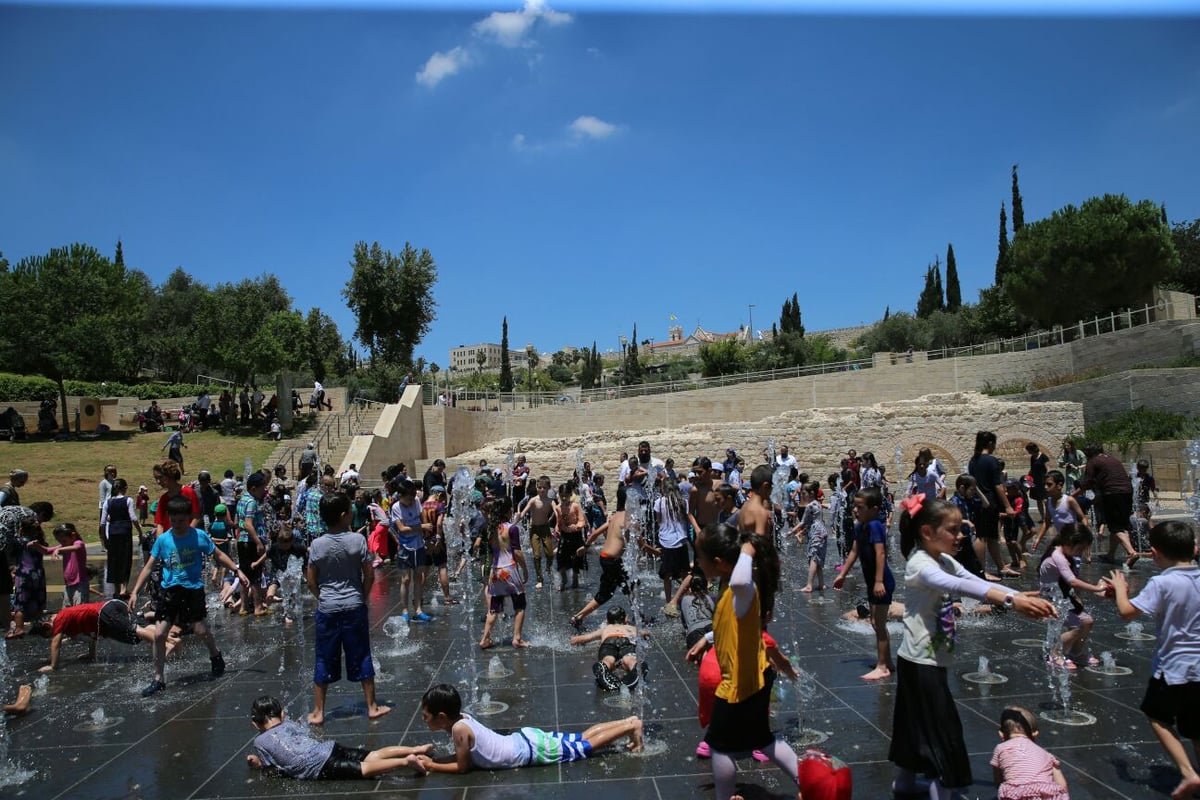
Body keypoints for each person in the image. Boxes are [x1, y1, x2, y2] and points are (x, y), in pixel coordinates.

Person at [890, 493, 1055, 800]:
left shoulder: (942, 559)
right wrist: (1011, 600)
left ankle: (904, 783)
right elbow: (958, 586)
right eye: (953, 529)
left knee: (913, 727)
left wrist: (1018, 595)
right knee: (944, 738)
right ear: (927, 532)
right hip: (921, 664)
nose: (961, 535)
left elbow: (972, 578)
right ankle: (943, 789)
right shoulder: (920, 564)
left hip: (925, 661)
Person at [686, 521, 801, 800]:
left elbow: (740, 582)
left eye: (699, 559)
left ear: (717, 562)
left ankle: (725, 796)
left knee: (719, 746)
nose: (696, 564)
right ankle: (807, 782)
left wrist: (747, 549)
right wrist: (707, 639)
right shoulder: (730, 584)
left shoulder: (743, 586)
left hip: (739, 684)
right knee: (763, 739)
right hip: (753, 677)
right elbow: (731, 625)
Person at [1106, 520, 1200, 800]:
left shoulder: (1162, 582)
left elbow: (1126, 612)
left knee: (1157, 716)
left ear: (1155, 553)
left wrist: (1120, 588)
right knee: (1197, 728)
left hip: (1173, 669)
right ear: (1193, 549)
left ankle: (1188, 772)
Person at [128, 494, 249, 697]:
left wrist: (237, 570)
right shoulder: (164, 540)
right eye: (173, 521)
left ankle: (215, 655)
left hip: (193, 590)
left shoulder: (198, 536)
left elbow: (218, 555)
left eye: (181, 521)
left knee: (201, 631)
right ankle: (158, 679)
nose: (177, 525)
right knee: (159, 634)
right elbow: (149, 566)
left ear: (189, 518)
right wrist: (134, 591)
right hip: (170, 591)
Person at [415, 683, 642, 773]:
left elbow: (463, 767)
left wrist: (433, 764)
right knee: (579, 738)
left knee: (584, 746)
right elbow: (464, 757)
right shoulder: (461, 718)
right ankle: (628, 722)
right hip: (526, 739)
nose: (424, 720)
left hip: (531, 751)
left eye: (426, 717)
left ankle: (630, 727)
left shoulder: (458, 729)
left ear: (442, 717)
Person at [305, 491, 390, 724]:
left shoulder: (317, 544)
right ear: (344, 516)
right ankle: (371, 706)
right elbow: (369, 574)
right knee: (362, 653)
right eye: (351, 512)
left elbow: (310, 578)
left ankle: (318, 711)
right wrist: (361, 597)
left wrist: (322, 596)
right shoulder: (357, 540)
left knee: (323, 656)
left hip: (328, 608)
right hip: (353, 605)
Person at [247, 695, 427, 779]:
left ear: (255, 724)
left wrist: (258, 763)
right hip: (329, 747)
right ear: (283, 714)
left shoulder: (259, 742)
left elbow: (272, 770)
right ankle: (415, 749)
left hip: (319, 765)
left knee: (364, 768)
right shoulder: (289, 724)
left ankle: (405, 762)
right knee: (371, 755)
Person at [832, 487, 895, 681]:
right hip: (872, 581)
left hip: (881, 581)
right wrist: (842, 574)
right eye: (854, 506)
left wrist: (877, 581)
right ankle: (887, 661)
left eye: (860, 507)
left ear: (874, 509)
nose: (855, 510)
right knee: (877, 623)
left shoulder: (876, 526)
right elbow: (854, 551)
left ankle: (883, 666)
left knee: (878, 623)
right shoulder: (861, 526)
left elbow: (880, 553)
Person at [1038, 523, 1106, 669]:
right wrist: (1097, 589)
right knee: (1078, 626)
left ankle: (1076, 652)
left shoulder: (1065, 554)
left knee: (1087, 621)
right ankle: (1054, 653)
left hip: (1062, 597)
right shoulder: (1057, 556)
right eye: (1080, 548)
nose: (1081, 552)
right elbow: (1072, 581)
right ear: (1069, 542)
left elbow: (1071, 582)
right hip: (1051, 601)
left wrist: (1076, 597)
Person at [39, 598, 162, 672]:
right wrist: (91, 655)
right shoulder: (69, 622)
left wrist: (53, 666)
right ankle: (169, 637)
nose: (52, 635)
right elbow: (91, 636)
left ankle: (164, 644)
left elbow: (56, 643)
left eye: (49, 634)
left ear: (46, 625)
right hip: (109, 609)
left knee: (135, 631)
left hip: (105, 611)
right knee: (136, 635)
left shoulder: (59, 618)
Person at [969, 430, 1021, 580]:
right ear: (990, 443)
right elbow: (998, 485)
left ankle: (1002, 567)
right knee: (982, 536)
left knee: (991, 536)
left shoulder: (973, 461)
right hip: (989, 501)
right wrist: (1008, 506)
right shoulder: (991, 461)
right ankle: (981, 571)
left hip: (979, 500)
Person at [479, 496, 529, 649]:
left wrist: (487, 573)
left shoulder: (490, 528)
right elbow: (518, 553)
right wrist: (525, 570)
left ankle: (485, 639)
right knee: (520, 605)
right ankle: (517, 638)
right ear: (509, 511)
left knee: (494, 608)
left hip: (495, 571)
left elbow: (489, 554)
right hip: (509, 570)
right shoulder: (512, 528)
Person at [990, 706, 1069, 800]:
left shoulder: (1000, 749)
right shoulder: (1046, 755)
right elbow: (1062, 784)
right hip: (1047, 794)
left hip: (1018, 795)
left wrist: (1001, 786)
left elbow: (997, 777)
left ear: (1001, 734)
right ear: (1035, 734)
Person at [569, 508, 630, 629]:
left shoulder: (614, 518)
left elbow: (595, 533)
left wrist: (585, 547)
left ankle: (578, 617)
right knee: (627, 588)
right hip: (612, 560)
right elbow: (641, 543)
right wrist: (656, 552)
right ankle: (641, 617)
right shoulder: (628, 520)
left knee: (613, 591)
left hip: (605, 558)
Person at [1081, 444, 1136, 566]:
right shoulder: (1112, 459)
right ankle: (1110, 555)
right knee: (1120, 526)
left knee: (1115, 527)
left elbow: (1087, 482)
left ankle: (1131, 552)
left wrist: (1074, 495)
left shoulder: (1093, 461)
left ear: (1089, 454)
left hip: (1112, 494)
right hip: (1127, 491)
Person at [570, 606, 647, 690]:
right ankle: (637, 669)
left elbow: (581, 639)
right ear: (625, 619)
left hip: (609, 641)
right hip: (626, 641)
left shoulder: (605, 629)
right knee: (630, 660)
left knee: (608, 660)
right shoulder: (630, 628)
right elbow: (645, 633)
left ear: (607, 621)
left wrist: (573, 640)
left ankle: (603, 667)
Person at [389, 480, 432, 623]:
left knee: (418, 578)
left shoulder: (416, 502)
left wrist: (425, 531)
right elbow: (402, 529)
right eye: (407, 498)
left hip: (419, 545)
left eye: (412, 498)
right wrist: (421, 527)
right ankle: (404, 609)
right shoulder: (396, 507)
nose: (410, 501)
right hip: (405, 547)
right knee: (406, 579)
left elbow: (422, 518)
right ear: (400, 496)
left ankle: (418, 609)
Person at [648, 476, 690, 613]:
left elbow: (659, 520)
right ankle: (687, 598)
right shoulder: (684, 502)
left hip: (666, 540)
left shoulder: (659, 502)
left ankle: (668, 601)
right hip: (681, 540)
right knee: (685, 571)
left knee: (667, 574)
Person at [236, 472, 270, 616]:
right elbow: (249, 524)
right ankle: (257, 607)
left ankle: (243, 607)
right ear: (254, 488)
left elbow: (239, 522)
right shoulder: (252, 502)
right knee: (255, 575)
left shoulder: (242, 500)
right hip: (251, 542)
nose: (265, 491)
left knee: (244, 575)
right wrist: (258, 542)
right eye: (263, 488)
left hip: (241, 541)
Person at [101, 477, 141, 596]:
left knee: (113, 560)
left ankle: (116, 589)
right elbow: (133, 518)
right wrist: (139, 531)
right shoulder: (128, 500)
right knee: (125, 560)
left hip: (113, 533)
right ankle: (124, 588)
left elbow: (102, 522)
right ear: (125, 488)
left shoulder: (108, 502)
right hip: (125, 533)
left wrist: (104, 538)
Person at [792, 480, 829, 593]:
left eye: (803, 494)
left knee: (813, 558)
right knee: (817, 558)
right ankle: (821, 584)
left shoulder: (810, 506)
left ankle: (809, 585)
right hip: (822, 531)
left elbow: (803, 522)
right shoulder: (817, 503)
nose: (802, 496)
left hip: (816, 532)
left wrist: (791, 532)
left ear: (811, 493)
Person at [520, 476, 557, 589]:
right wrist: (515, 521)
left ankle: (548, 567)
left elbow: (556, 512)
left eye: (544, 488)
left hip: (545, 528)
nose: (541, 490)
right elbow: (523, 512)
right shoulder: (533, 500)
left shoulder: (550, 501)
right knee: (536, 555)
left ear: (548, 488)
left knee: (550, 554)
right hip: (534, 529)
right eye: (539, 487)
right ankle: (539, 578)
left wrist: (558, 524)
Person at [51, 522, 89, 607]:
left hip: (80, 584)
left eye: (63, 541)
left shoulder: (79, 543)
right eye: (59, 541)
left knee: (79, 608)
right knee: (67, 608)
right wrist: (37, 546)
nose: (62, 544)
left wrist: (58, 550)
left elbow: (76, 547)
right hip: (68, 584)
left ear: (73, 535)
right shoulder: (65, 546)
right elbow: (47, 550)